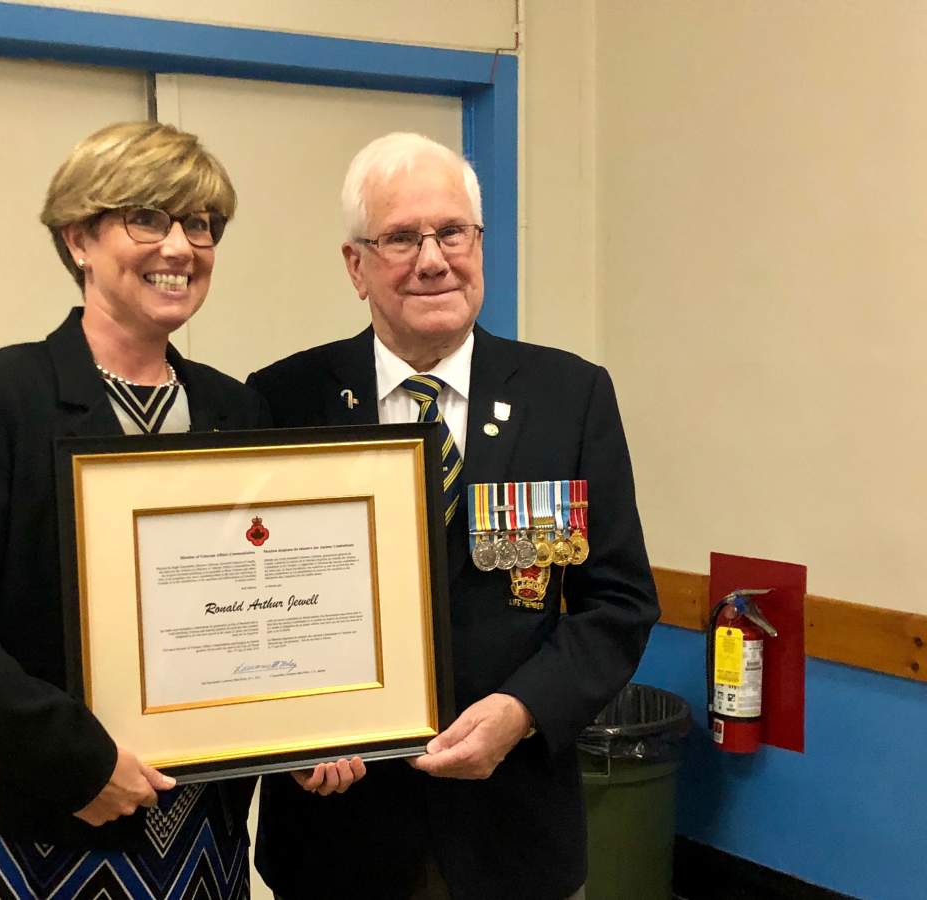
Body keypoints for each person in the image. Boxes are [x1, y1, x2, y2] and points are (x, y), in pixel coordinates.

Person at [0, 122, 358, 900]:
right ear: (78, 239)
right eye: (148, 218)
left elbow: (265, 604)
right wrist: (73, 760)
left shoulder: (238, 409)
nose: (180, 247)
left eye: (200, 225)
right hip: (50, 831)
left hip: (208, 844)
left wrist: (311, 726)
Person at [246, 133, 660, 900]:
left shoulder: (569, 397)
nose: (431, 258)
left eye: (452, 233)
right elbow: (252, 601)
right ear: (355, 265)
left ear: (479, 244)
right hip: (338, 834)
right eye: (400, 237)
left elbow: (620, 604)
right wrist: (288, 735)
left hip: (515, 832)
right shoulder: (281, 400)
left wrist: (523, 709)